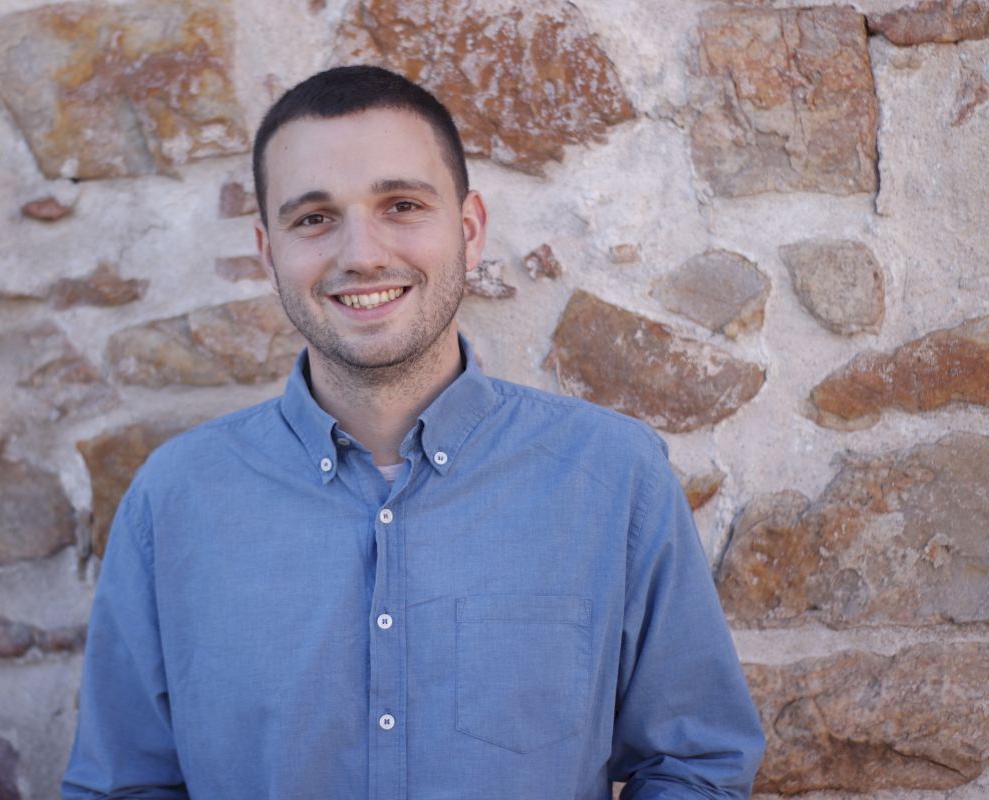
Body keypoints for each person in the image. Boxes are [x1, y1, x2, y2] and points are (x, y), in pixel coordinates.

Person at [62, 65, 764, 799]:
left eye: (401, 205)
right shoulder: (175, 501)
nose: (362, 254)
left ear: (469, 230)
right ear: (269, 253)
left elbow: (694, 765)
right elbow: (122, 787)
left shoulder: (613, 477)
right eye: (314, 218)